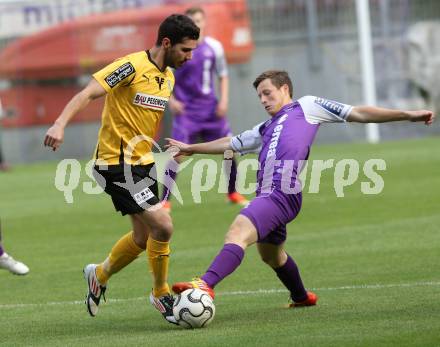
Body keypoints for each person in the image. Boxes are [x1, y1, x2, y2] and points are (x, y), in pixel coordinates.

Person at [167, 70, 435, 306]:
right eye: (259, 96)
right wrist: (191, 148)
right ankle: (301, 297)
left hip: (280, 192)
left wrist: (407, 115)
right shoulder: (264, 128)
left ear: (285, 89)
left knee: (238, 231)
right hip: (272, 194)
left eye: (267, 93)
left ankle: (205, 284)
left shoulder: (307, 106)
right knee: (271, 255)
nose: (263, 100)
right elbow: (231, 143)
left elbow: (359, 112)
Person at [44, 14, 200, 324]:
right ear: (166, 43)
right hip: (114, 165)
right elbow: (87, 92)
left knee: (143, 238)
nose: (189, 57)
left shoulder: (167, 78)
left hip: (142, 165)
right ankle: (161, 294)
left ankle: (99, 275)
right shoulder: (129, 66)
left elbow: (140, 120)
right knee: (164, 225)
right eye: (185, 50)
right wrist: (59, 123)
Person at [161, 6, 248, 210]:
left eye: (199, 20)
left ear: (204, 22)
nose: (196, 24)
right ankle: (164, 200)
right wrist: (171, 101)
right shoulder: (177, 49)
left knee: (228, 149)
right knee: (177, 154)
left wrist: (224, 100)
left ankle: (233, 192)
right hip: (186, 112)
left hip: (210, 109)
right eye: (192, 21)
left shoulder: (214, 47)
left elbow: (223, 75)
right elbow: (163, 76)